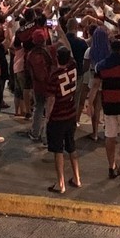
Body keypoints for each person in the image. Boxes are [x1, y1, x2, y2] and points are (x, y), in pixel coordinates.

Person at [88, 40, 120, 179]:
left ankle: (111, 166)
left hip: (109, 105)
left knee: (110, 136)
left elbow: (95, 86)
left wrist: (89, 104)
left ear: (110, 49)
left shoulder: (101, 66)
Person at [45, 46, 81, 194]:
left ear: (57, 58)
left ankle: (60, 183)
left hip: (58, 117)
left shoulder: (54, 76)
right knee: (71, 146)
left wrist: (47, 117)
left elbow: (51, 99)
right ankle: (77, 178)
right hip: (71, 114)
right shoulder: (73, 67)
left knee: (58, 150)